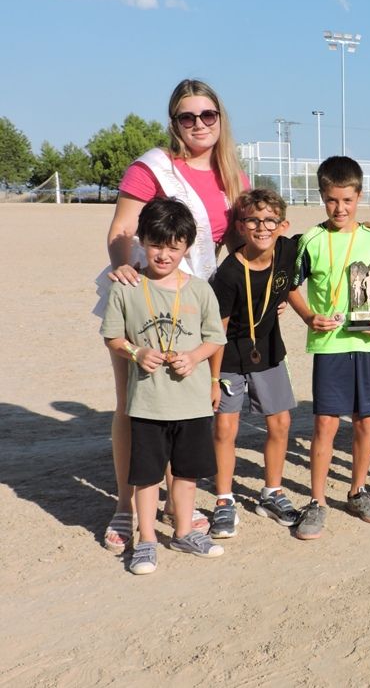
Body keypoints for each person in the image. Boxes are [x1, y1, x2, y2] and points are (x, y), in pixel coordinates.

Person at [98, 78, 248, 553]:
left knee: (181, 405)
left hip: (192, 302)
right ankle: (125, 503)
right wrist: (125, 265)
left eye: (208, 115)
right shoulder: (153, 167)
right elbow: (123, 227)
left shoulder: (233, 178)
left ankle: (175, 508)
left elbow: (238, 244)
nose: (199, 124)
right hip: (142, 295)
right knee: (133, 404)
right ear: (174, 122)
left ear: (220, 119)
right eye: (188, 117)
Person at [100, 198, 227, 574]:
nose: (164, 254)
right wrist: (136, 353)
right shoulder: (127, 287)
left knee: (187, 473)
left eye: (174, 246)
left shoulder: (201, 289)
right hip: (147, 405)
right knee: (146, 475)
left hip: (191, 404)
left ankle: (185, 530)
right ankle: (147, 540)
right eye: (156, 244)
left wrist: (195, 357)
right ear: (142, 240)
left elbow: (215, 338)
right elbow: (111, 338)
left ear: (187, 246)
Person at [288, 156, 370, 538]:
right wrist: (307, 316)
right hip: (330, 345)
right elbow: (288, 285)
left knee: (367, 421)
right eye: (332, 200)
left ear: (359, 196)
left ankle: (357, 490)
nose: (340, 208)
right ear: (322, 196)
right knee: (326, 424)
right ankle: (316, 501)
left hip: (367, 344)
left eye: (348, 201)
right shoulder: (310, 241)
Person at [207, 189, 300, 538]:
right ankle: (224, 500)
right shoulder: (229, 273)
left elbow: (327, 235)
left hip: (269, 351)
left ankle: (271, 492)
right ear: (241, 226)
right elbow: (220, 328)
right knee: (224, 430)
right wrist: (213, 379)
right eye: (253, 221)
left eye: (270, 221)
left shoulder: (289, 250)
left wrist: (367, 227)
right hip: (229, 356)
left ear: (282, 225)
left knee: (280, 423)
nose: (262, 228)